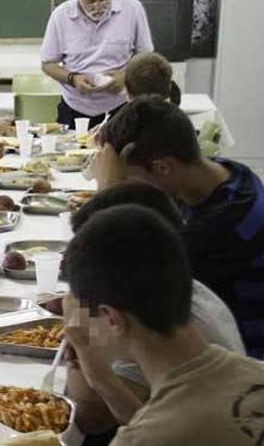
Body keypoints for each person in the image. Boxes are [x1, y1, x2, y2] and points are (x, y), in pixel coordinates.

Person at [63, 204, 264, 446]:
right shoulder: (252, 371)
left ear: (112, 319)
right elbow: (171, 425)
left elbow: (160, 437)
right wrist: (100, 378)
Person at [91, 96, 264, 358]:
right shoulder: (228, 173)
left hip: (241, 362)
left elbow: (120, 273)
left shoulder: (223, 225)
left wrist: (107, 191)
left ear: (163, 168)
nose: (128, 187)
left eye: (130, 178)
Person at [41, 0, 153, 128]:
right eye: (90, 1)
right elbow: (47, 64)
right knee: (72, 152)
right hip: (75, 107)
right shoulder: (60, 16)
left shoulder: (132, 8)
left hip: (121, 106)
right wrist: (73, 79)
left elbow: (146, 56)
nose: (98, 6)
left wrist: (126, 76)